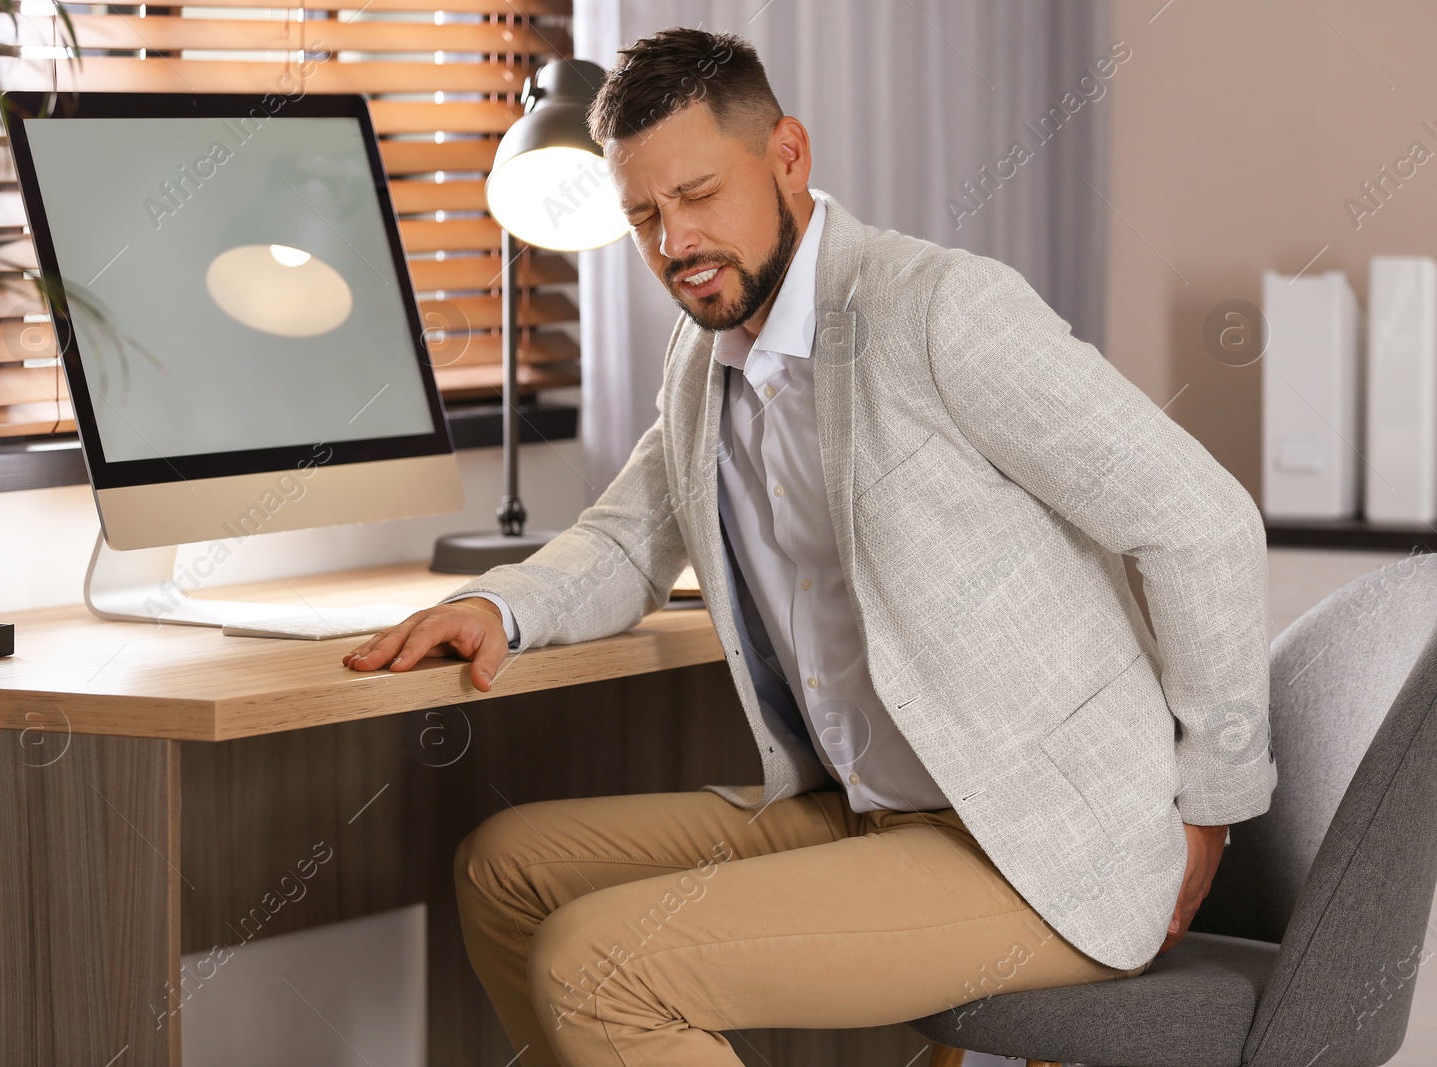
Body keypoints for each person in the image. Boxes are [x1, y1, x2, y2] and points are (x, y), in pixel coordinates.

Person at [344, 26, 1276, 1067]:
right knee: (503, 867)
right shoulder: (704, 365)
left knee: (599, 964)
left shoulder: (937, 309)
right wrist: (498, 608)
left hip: (1043, 847)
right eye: (644, 215)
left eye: (697, 195)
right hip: (874, 813)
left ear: (787, 154)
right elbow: (625, 539)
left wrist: (1212, 812)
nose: (672, 242)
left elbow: (1201, 520)